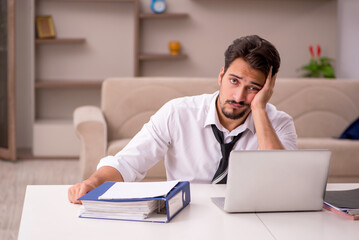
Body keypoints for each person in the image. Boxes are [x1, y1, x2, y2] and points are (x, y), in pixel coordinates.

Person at [68, 35, 297, 204]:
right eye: (234, 81)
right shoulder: (178, 113)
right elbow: (127, 163)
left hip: (252, 220)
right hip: (187, 215)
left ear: (267, 89)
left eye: (253, 88)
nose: (238, 97)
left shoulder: (278, 124)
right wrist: (93, 183)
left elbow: (284, 184)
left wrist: (259, 109)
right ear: (221, 75)